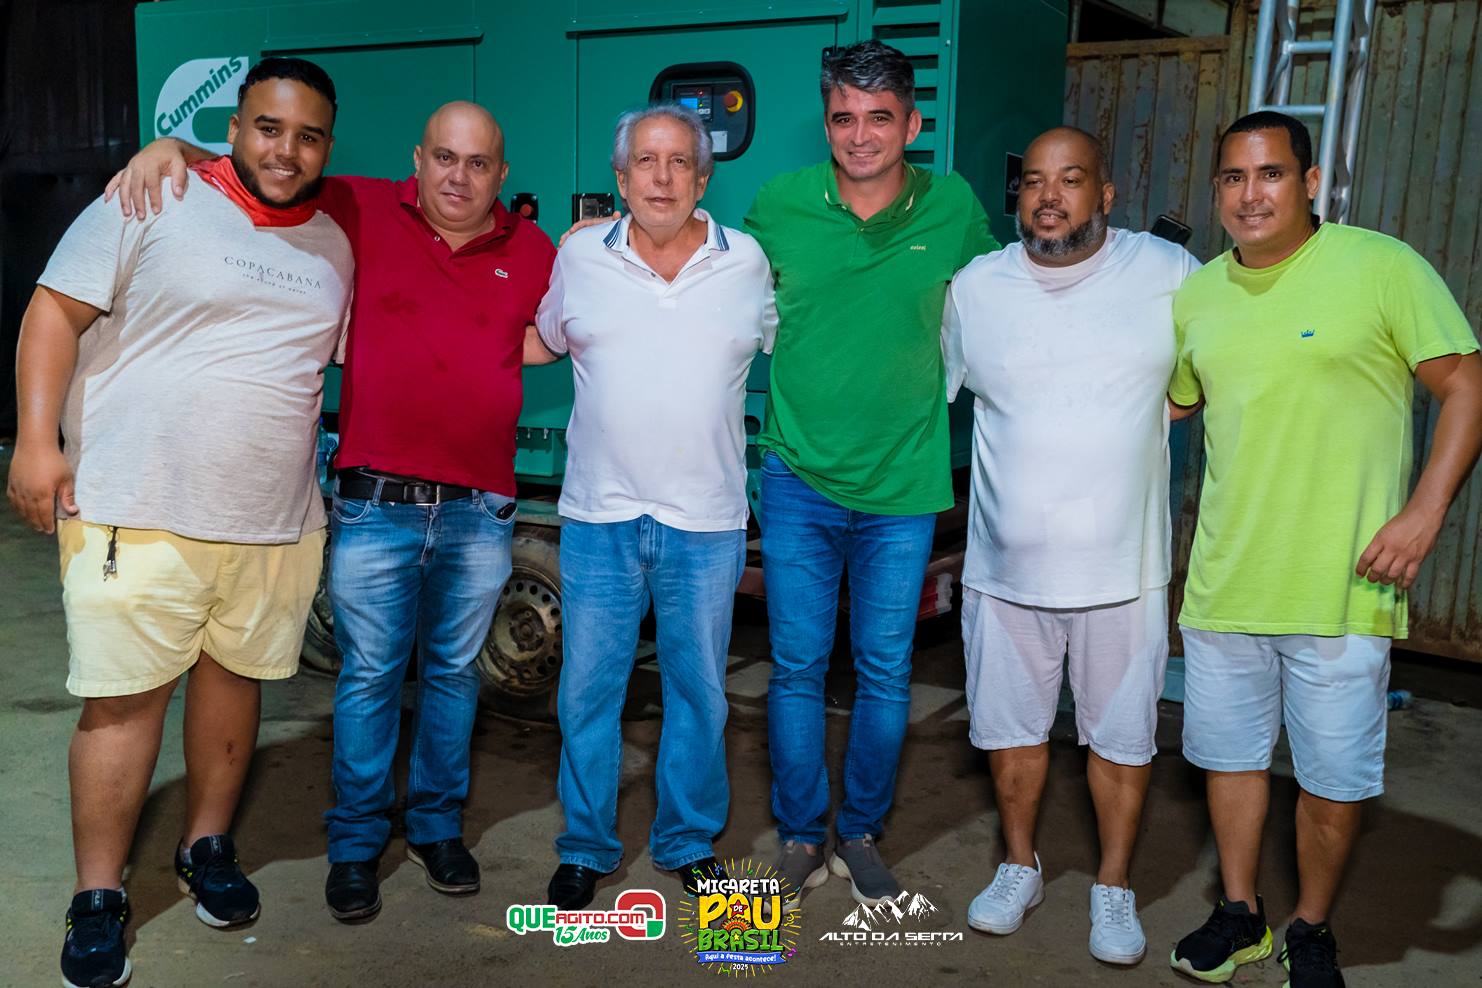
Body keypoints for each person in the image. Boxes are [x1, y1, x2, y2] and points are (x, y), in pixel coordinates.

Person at [108, 101, 558, 923]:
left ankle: (436, 828)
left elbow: (558, 331)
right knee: (370, 678)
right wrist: (169, 144)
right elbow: (267, 167)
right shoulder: (359, 205)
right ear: (417, 160)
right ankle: (355, 842)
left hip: (479, 511)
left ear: (501, 173)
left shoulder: (532, 250)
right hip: (376, 506)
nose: (459, 177)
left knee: (454, 677)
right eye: (445, 158)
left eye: (478, 164)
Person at [8, 57, 352, 988]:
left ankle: (206, 847)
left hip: (273, 520)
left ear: (328, 146)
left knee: (236, 685)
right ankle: (97, 895)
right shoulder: (151, 196)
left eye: (308, 136)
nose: (286, 150)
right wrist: (35, 442)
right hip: (138, 508)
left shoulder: (334, 241)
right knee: (123, 704)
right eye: (268, 128)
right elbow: (52, 312)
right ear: (233, 127)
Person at [1167, 110, 1482, 987]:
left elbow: (1467, 385)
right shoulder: (1198, 295)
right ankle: (1240, 913)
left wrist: (1424, 512)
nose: (1250, 194)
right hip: (1227, 579)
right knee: (1230, 762)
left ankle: (1311, 928)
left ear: (1310, 183)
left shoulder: (1381, 267)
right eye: (1233, 177)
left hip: (1346, 585)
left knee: (1332, 781)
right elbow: (1174, 405)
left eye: (1270, 174)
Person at [742, 39, 998, 909]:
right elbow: (715, 280)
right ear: (826, 123)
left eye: (879, 118)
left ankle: (858, 834)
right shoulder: (780, 204)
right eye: (844, 117)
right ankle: (801, 835)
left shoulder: (953, 206)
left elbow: (1012, 294)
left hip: (903, 486)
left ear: (912, 124)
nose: (860, 135)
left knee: (885, 672)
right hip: (798, 479)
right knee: (797, 667)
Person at [943, 125, 1198, 965]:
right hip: (1004, 571)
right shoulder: (977, 288)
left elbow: (1204, 380)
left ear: (1106, 194)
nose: (1049, 197)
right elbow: (940, 387)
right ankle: (1019, 865)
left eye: (1072, 179)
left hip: (1122, 571)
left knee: (1121, 740)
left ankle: (1114, 884)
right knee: (1010, 733)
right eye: (1034, 182)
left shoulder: (1170, 274)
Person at [532, 103, 775, 910]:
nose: (662, 177)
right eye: (646, 160)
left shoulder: (747, 262)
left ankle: (687, 839)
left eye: (679, 162)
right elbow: (543, 339)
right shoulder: (579, 257)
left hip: (705, 521)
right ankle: (586, 844)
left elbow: (791, 347)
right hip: (599, 517)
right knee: (587, 692)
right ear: (620, 177)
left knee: (699, 693)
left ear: (703, 179)